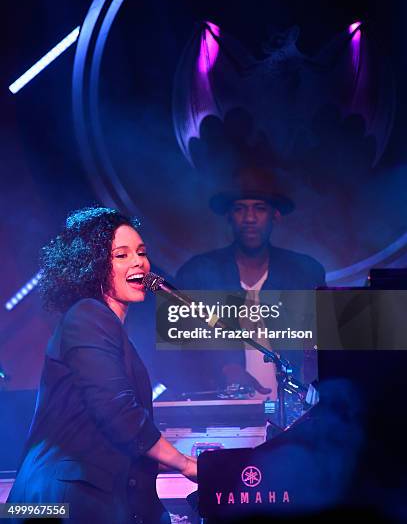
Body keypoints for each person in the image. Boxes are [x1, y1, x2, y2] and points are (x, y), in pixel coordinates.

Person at [7, 207, 196, 524]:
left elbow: (108, 434)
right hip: (61, 499)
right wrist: (186, 464)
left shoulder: (106, 328)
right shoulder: (87, 317)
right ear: (92, 266)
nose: (138, 262)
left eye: (141, 252)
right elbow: (118, 414)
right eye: (121, 255)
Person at [175, 168, 326, 397]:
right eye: (240, 209)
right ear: (229, 215)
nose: (249, 218)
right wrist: (222, 370)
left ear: (275, 215)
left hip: (297, 411)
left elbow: (323, 347)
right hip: (222, 413)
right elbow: (176, 351)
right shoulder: (197, 274)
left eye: (260, 208)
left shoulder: (304, 272)